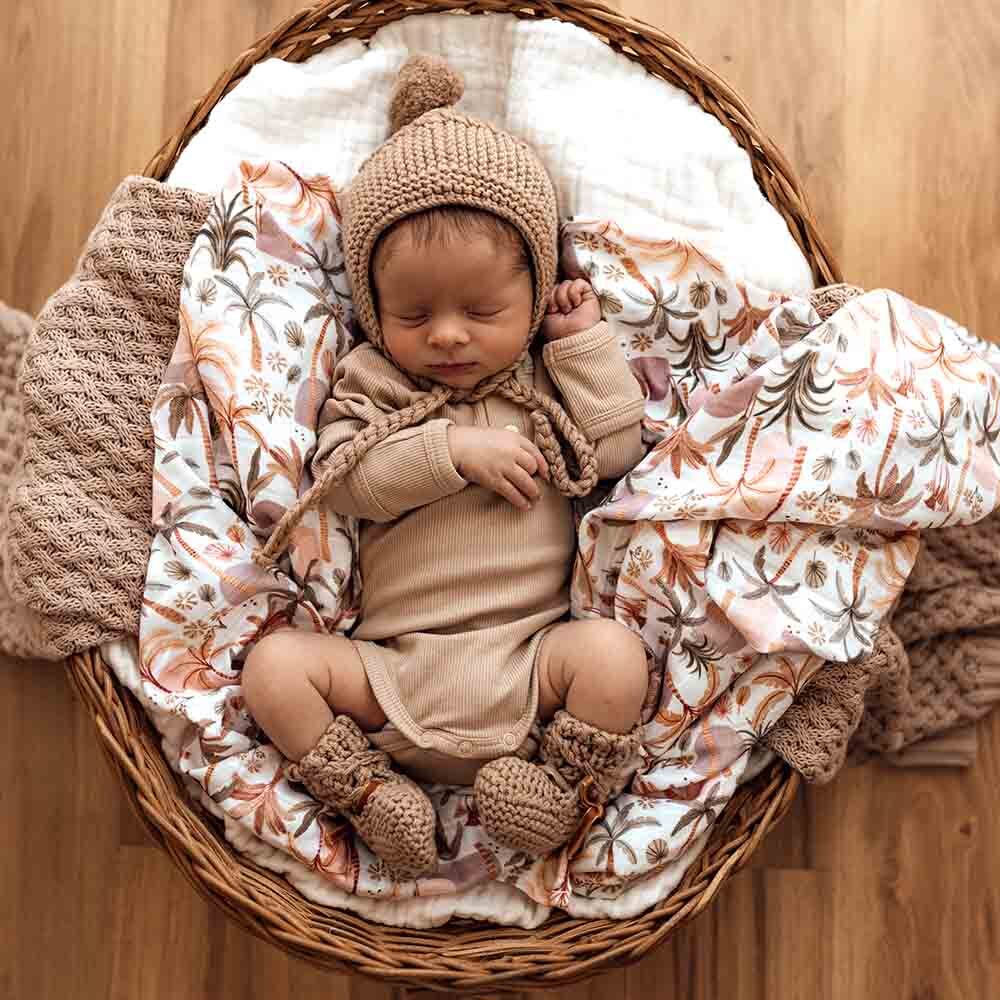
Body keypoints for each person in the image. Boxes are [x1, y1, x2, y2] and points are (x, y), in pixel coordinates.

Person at [242, 54, 649, 879]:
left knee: (615, 657)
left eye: (484, 310)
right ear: (370, 309)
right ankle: (363, 792)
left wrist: (586, 349)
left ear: (534, 294)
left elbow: (614, 452)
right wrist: (453, 452)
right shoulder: (375, 381)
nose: (450, 336)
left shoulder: (541, 382)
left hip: (533, 666)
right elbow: (348, 478)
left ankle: (558, 791)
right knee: (273, 667)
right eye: (414, 314)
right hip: (390, 671)